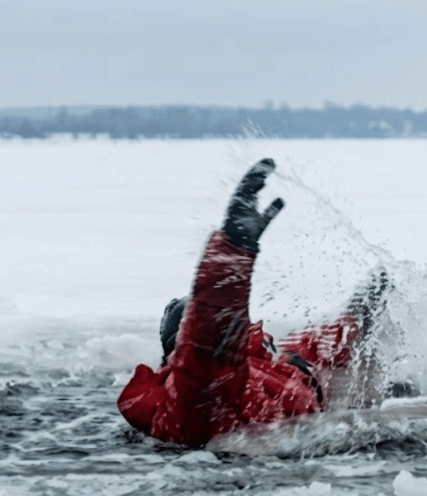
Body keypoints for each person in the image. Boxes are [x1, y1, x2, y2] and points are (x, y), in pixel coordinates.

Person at [116, 158, 387, 447]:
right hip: (267, 457)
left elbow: (307, 347)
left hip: (306, 420)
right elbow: (208, 340)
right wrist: (233, 250)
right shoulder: (197, 393)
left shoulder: (262, 359)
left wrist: (362, 312)